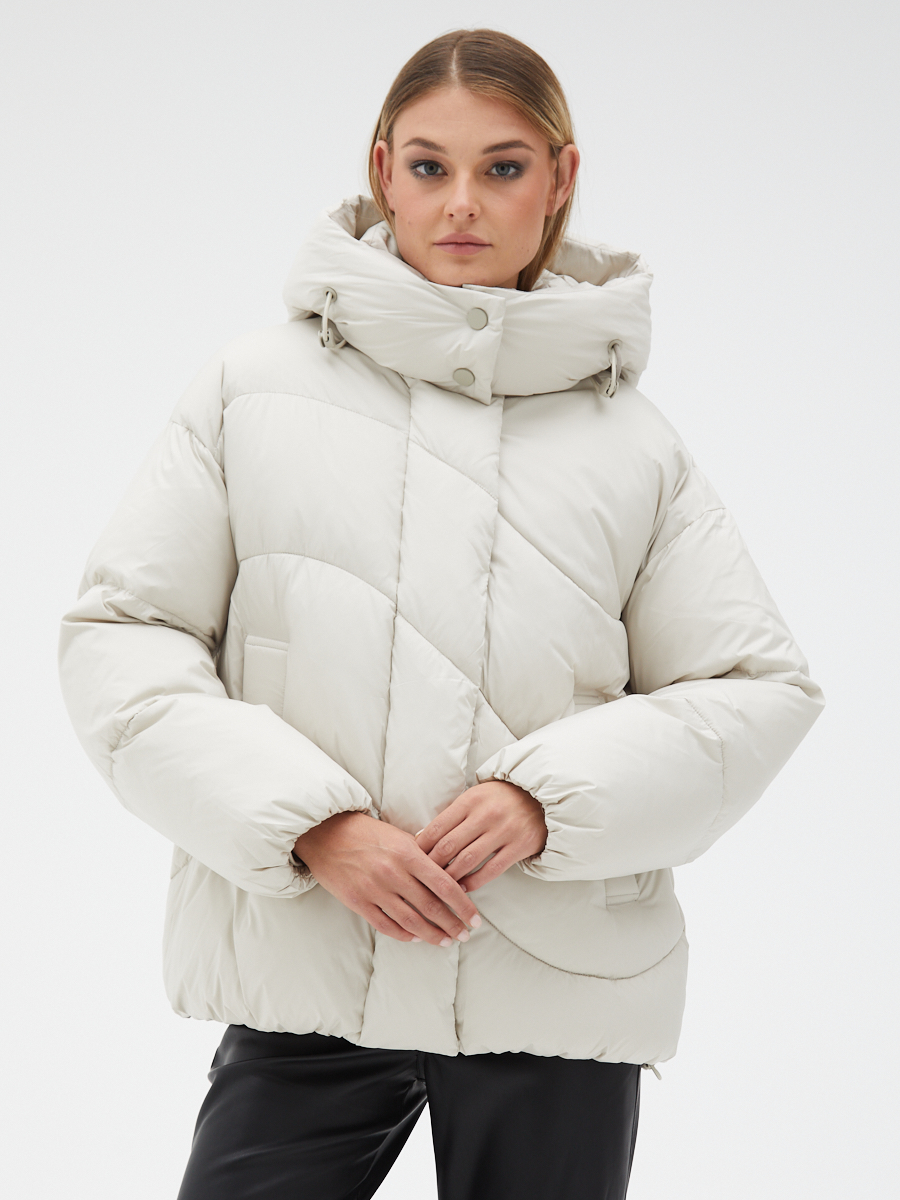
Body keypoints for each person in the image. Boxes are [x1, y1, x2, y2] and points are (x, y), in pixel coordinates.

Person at [58, 27, 824, 1200]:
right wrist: (309, 823)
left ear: (560, 179)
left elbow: (756, 691)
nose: (462, 201)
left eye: (502, 167)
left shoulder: (635, 447)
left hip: (554, 989)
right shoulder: (249, 391)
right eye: (429, 166)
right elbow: (123, 638)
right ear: (383, 172)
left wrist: (544, 802)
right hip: (309, 976)